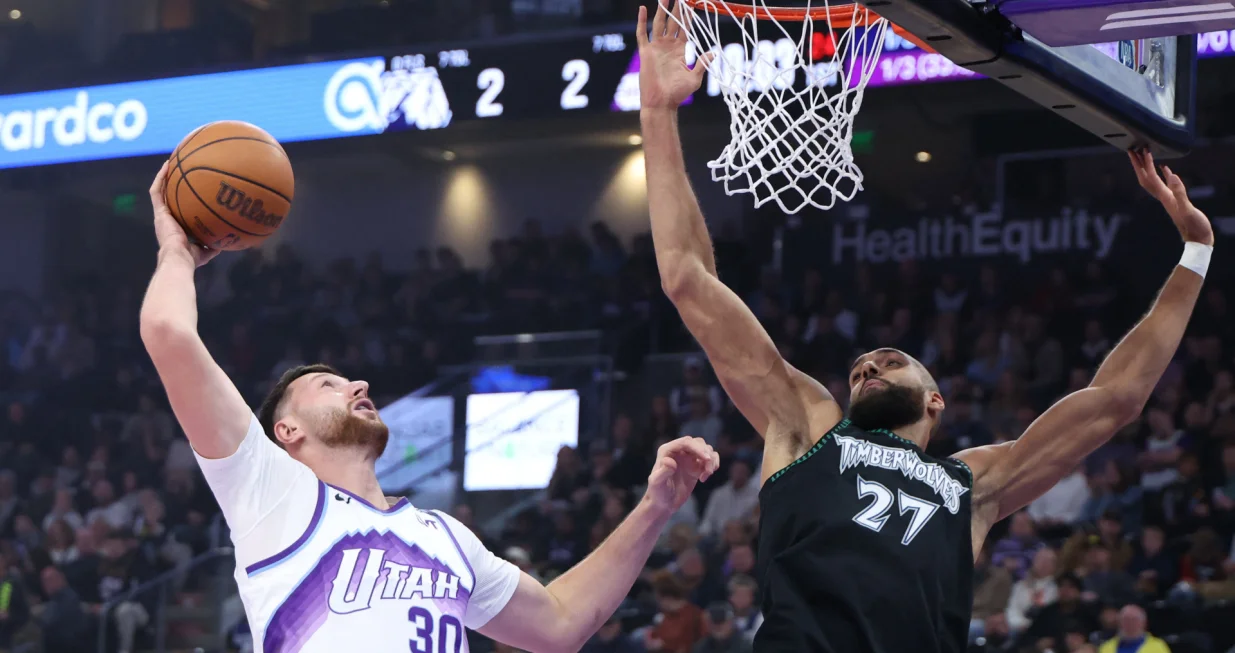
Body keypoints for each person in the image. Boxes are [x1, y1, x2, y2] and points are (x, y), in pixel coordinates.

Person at [636, 2, 1214, 651]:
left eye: (886, 359)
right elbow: (687, 279)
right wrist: (657, 114)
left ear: (936, 398)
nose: (867, 366)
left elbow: (1116, 400)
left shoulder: (971, 484)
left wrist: (1195, 253)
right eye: (861, 367)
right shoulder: (806, 425)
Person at [138, 162, 720, 653]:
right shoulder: (270, 493)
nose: (357, 384)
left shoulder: (445, 536)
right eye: (328, 386)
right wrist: (177, 250)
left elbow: (562, 622)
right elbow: (168, 330)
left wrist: (655, 507)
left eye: (350, 379)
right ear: (285, 430)